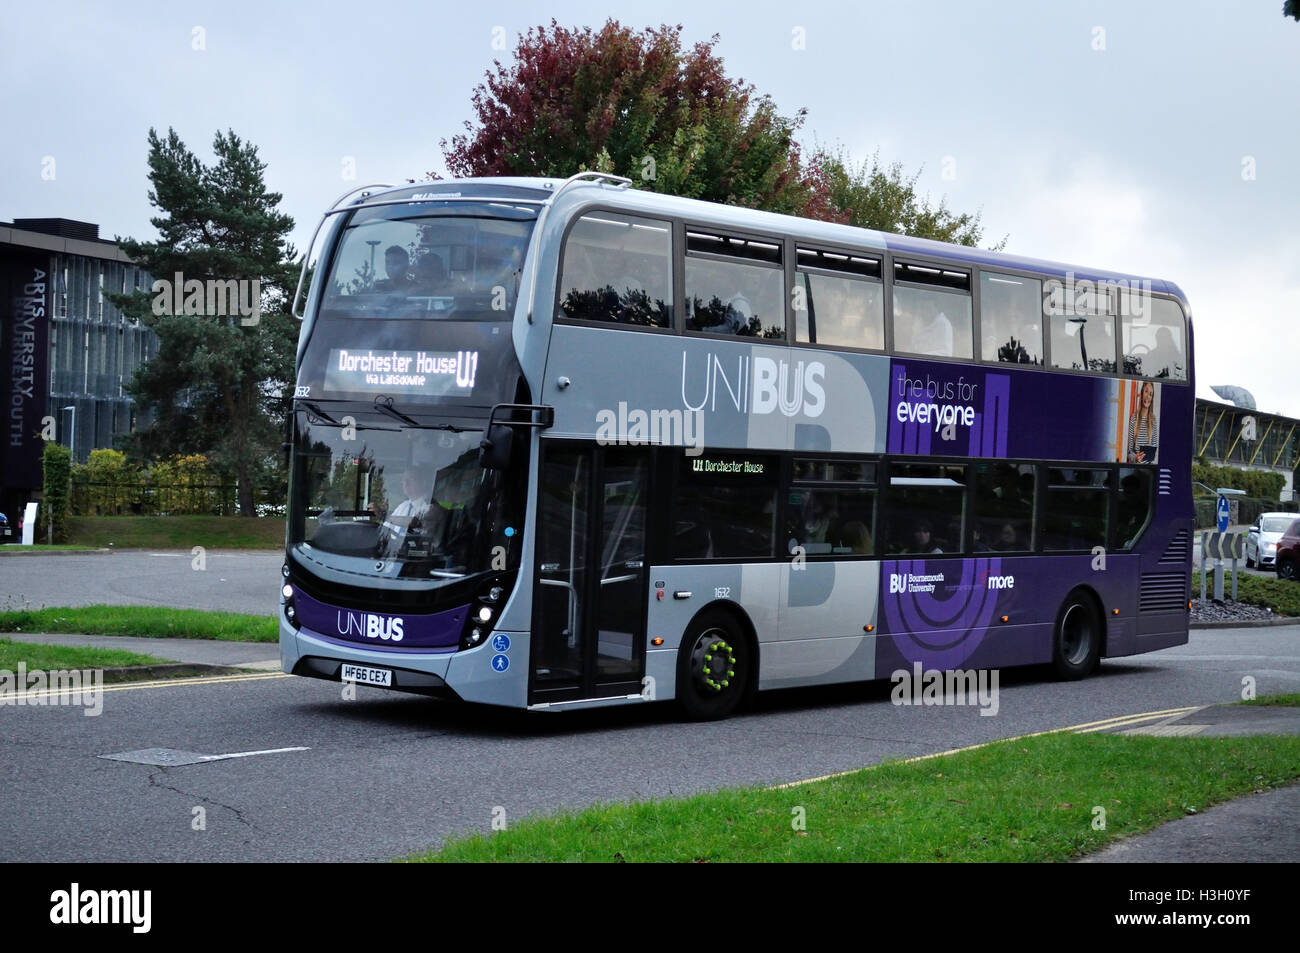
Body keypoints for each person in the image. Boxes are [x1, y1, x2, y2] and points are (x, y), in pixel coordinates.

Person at [1126, 380, 1159, 463]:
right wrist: (1135, 458)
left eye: (1151, 394)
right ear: (1142, 393)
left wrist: (1148, 457)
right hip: (1135, 468)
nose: (1148, 396)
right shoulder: (1133, 418)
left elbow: (1154, 451)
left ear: (1152, 398)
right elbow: (1130, 452)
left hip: (1148, 470)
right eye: (1146, 391)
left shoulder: (1154, 421)